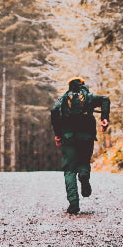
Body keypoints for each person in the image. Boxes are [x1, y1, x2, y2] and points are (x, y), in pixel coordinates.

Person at [50, 77, 111, 215]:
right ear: (83, 84)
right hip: (87, 137)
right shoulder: (88, 97)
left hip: (68, 137)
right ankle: (84, 175)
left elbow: (54, 112)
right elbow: (105, 99)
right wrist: (104, 118)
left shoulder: (63, 99)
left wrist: (58, 134)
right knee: (84, 161)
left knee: (70, 170)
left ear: (69, 86)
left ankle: (74, 204)